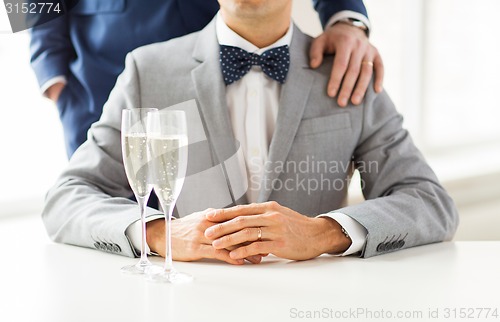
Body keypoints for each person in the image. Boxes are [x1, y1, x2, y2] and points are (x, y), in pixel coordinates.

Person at [42, 0, 458, 264]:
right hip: (101, 78)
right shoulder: (144, 70)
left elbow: (429, 201)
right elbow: (69, 198)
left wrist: (325, 232)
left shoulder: (347, 78)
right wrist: (49, 69)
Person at [30, 0, 383, 158]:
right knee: (107, 230)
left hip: (220, 80)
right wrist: (52, 76)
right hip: (99, 88)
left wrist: (345, 17)